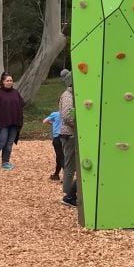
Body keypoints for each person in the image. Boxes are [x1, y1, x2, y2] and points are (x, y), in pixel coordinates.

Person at [58, 69, 78, 207]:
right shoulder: (68, 96)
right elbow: (67, 115)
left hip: (71, 134)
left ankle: (70, 193)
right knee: (70, 165)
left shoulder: (72, 95)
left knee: (72, 164)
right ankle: (68, 194)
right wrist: (80, 125)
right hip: (69, 134)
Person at [42, 110, 63, 181]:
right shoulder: (69, 114)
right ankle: (59, 174)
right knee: (65, 156)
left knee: (60, 156)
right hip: (68, 137)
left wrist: (53, 123)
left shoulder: (55, 114)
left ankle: (59, 175)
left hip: (57, 137)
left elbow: (45, 121)